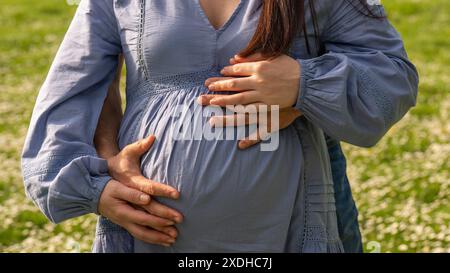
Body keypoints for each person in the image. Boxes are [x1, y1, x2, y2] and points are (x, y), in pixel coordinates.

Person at [21, 0, 418, 253]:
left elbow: (392, 76)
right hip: (149, 233)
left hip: (289, 223)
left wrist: (302, 83)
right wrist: (102, 180)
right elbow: (76, 88)